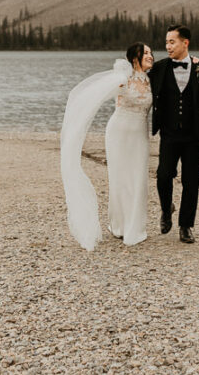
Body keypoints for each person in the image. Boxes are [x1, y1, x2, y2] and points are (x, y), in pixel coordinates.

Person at [60, 42, 154, 249]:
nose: (151, 56)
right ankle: (119, 225)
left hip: (140, 135)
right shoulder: (122, 79)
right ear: (135, 58)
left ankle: (135, 228)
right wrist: (77, 126)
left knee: (138, 179)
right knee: (120, 179)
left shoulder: (151, 80)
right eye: (146, 53)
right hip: (118, 132)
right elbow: (93, 98)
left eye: (151, 52)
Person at [148, 25, 199, 244]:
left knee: (191, 183)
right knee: (164, 175)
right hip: (169, 135)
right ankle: (166, 208)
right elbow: (139, 76)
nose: (167, 46)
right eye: (166, 42)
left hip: (194, 135)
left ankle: (186, 226)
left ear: (185, 43)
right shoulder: (160, 68)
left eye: (172, 42)